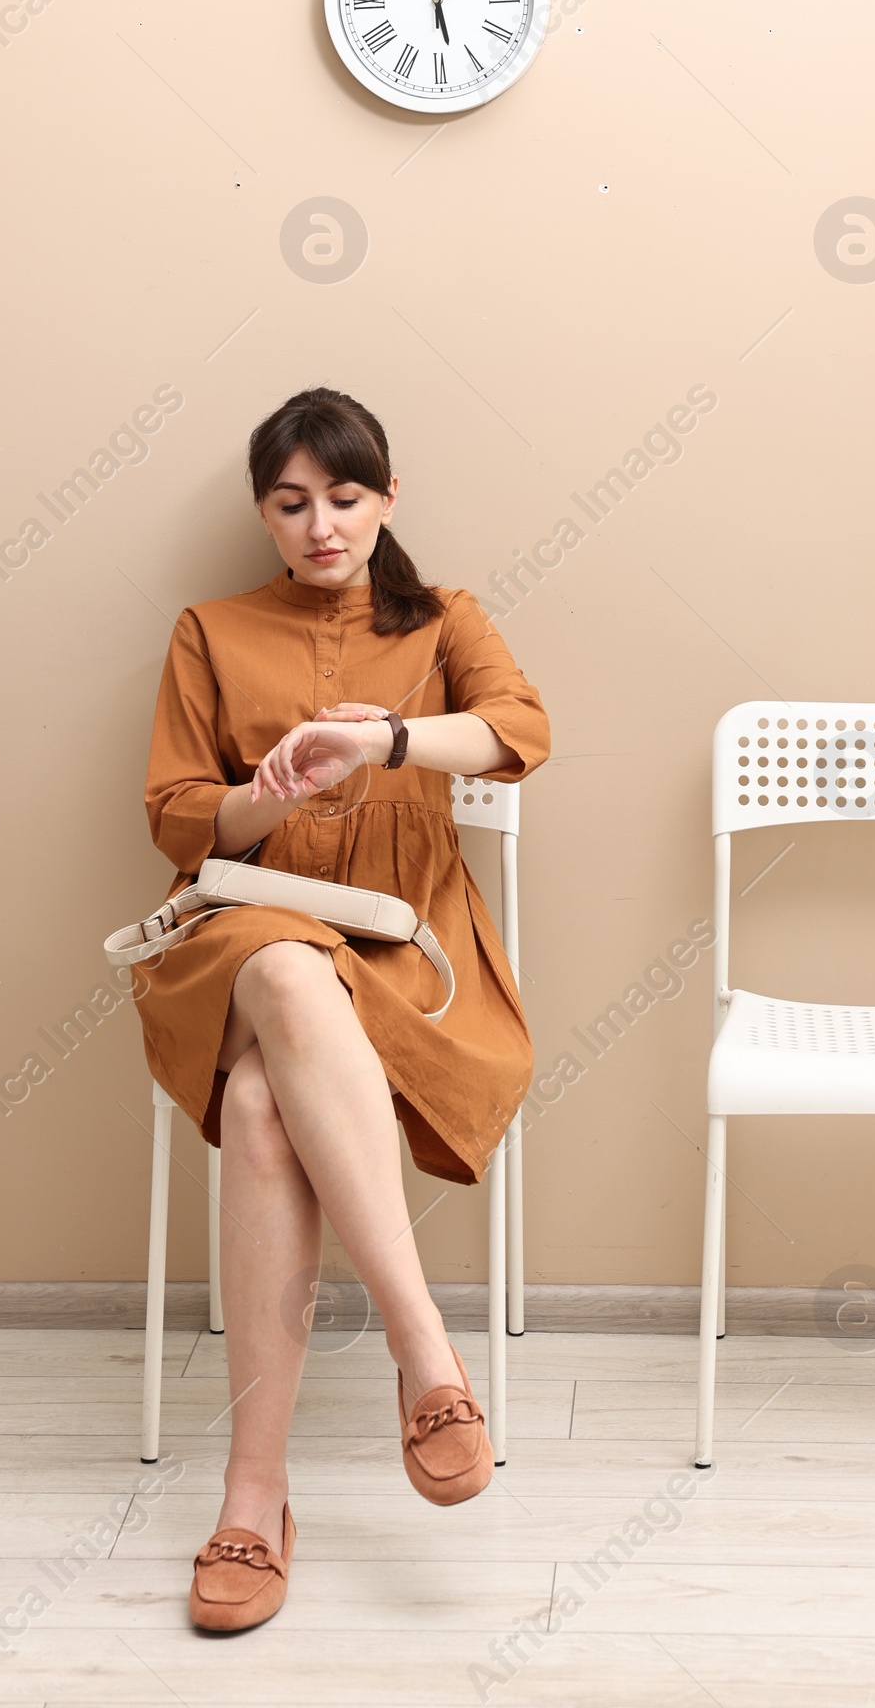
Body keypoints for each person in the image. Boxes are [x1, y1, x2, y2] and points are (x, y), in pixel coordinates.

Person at [135, 386, 548, 1632]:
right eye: (291, 503)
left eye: (345, 497)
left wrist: (388, 744)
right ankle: (426, 1350)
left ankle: (253, 1499)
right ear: (265, 512)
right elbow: (169, 811)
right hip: (246, 933)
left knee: (263, 1105)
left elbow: (522, 729)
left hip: (409, 950)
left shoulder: (444, 620)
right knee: (275, 966)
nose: (320, 525)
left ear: (386, 496)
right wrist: (264, 794)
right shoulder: (208, 628)